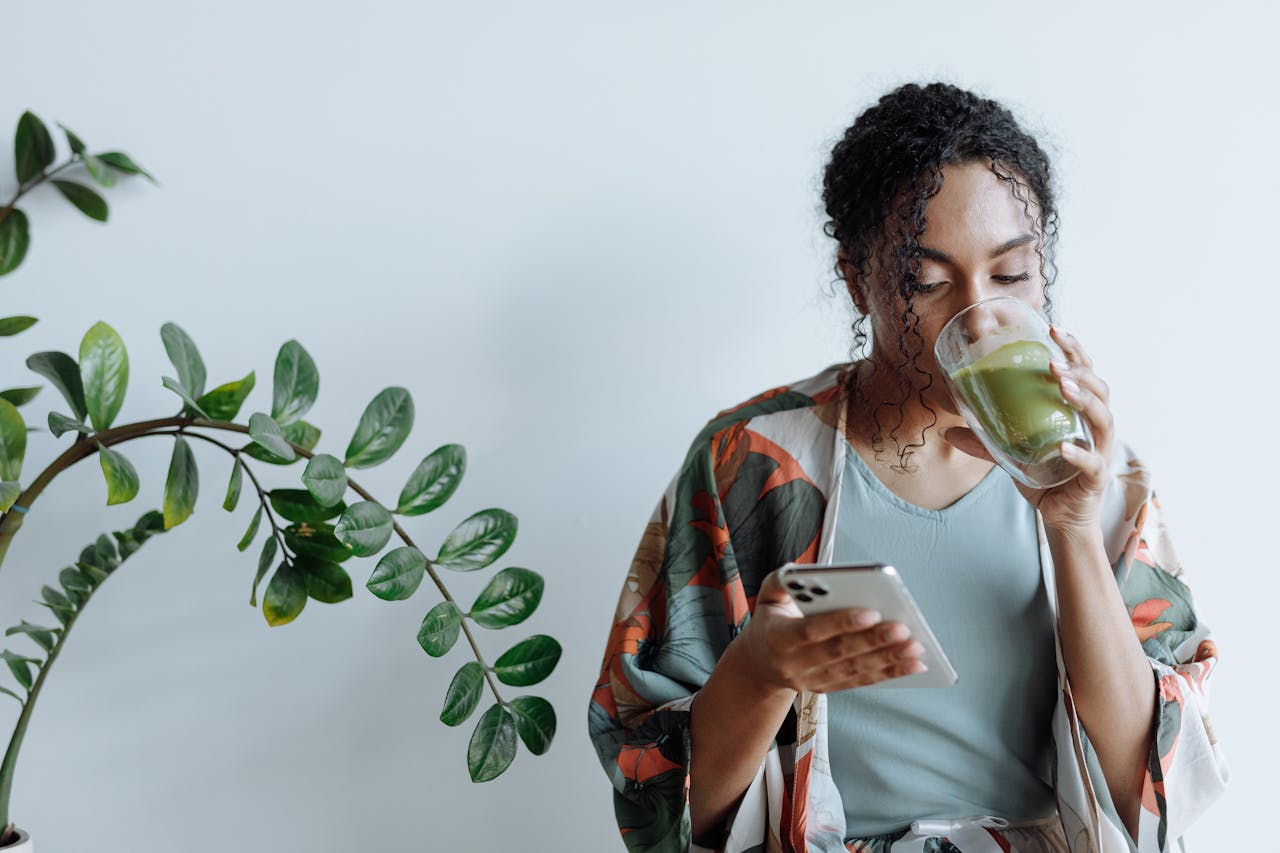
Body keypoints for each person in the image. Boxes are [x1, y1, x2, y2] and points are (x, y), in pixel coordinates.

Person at [589, 82, 1228, 853]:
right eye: (926, 283)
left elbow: (1153, 786)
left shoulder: (1101, 474)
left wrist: (1069, 523)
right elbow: (657, 795)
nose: (981, 312)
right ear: (857, 279)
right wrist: (759, 670)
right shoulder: (749, 460)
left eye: (1013, 272)